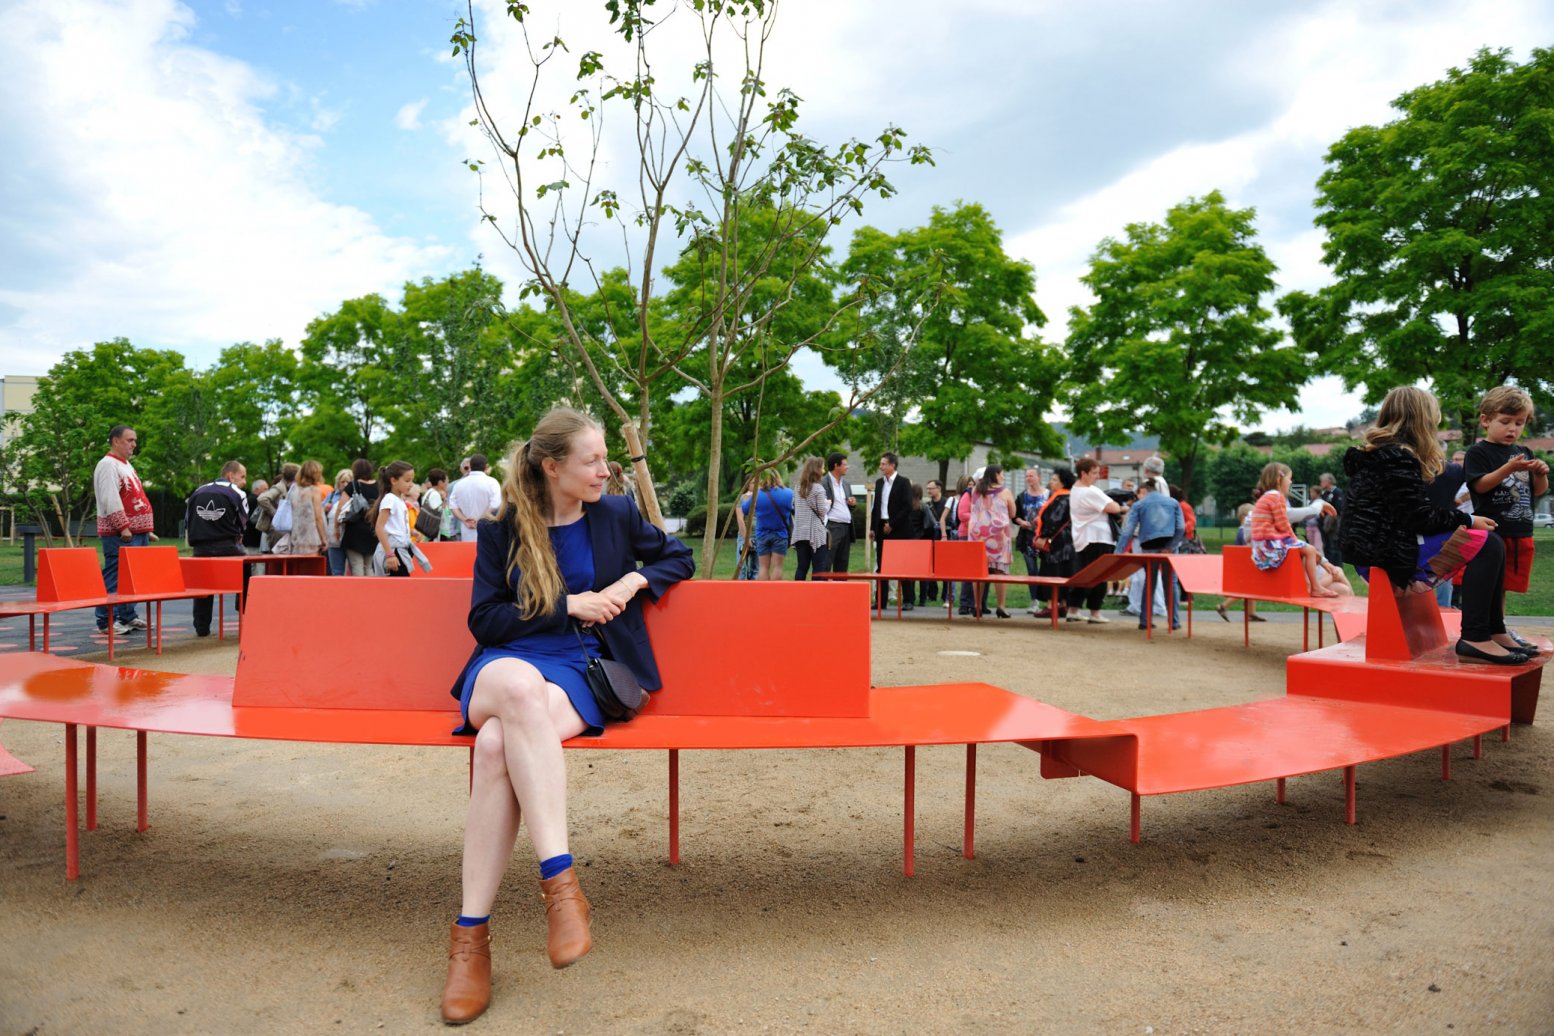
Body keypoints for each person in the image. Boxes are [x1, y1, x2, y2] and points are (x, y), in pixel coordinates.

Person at [439, 408, 693, 1024]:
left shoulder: (616, 515)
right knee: (518, 698)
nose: (607, 470)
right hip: (504, 667)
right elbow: (486, 618)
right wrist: (568, 604)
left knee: (497, 748)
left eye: (606, 459)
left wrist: (632, 581)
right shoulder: (503, 525)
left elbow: (677, 557)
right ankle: (561, 885)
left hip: (580, 671)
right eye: (593, 461)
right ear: (553, 468)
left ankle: (470, 940)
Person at [1341, 385, 1527, 665]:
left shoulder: (1385, 454)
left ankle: (1495, 630)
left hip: (1380, 547)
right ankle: (1475, 637)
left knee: (1490, 542)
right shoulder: (1396, 458)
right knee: (1486, 543)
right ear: (1423, 420)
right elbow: (1418, 517)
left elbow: (1409, 514)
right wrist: (1467, 519)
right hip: (1383, 553)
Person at [1464, 386, 1549, 641]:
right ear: (1486, 420)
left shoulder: (1524, 451)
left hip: (1520, 530)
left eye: (1519, 423)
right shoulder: (1478, 452)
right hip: (1492, 531)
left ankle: (1498, 628)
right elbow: (1479, 485)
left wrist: (1541, 474)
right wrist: (1508, 468)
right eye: (1505, 422)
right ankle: (1494, 630)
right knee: (1491, 585)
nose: (1513, 429)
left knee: (1504, 586)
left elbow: (1537, 491)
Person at [93, 425, 154, 635]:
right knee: (115, 576)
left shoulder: (125, 465)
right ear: (115, 441)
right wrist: (124, 526)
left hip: (136, 533)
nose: (134, 444)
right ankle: (106, 621)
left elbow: (135, 496)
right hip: (120, 533)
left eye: (134, 440)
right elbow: (110, 498)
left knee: (132, 578)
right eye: (130, 440)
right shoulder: (108, 465)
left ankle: (127, 616)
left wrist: (146, 529)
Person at [1250, 463, 1339, 598]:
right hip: (1270, 545)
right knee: (1309, 549)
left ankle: (1311, 585)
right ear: (1279, 479)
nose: (1291, 481)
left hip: (1261, 546)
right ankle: (1315, 587)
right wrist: (1294, 540)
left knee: (1303, 549)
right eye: (1289, 478)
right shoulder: (1276, 496)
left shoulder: (1267, 496)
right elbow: (1283, 524)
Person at [184, 460, 249, 637]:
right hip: (228, 547)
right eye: (242, 477)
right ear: (230, 475)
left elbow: (188, 521)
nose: (244, 482)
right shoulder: (237, 492)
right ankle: (245, 612)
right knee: (246, 570)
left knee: (202, 585)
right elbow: (243, 522)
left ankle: (201, 626)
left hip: (201, 548)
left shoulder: (197, 492)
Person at [1115, 479, 1185, 631]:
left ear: (1145, 490)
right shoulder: (1173, 503)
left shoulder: (1139, 505)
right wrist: (1170, 546)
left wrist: (1118, 552)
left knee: (1150, 581)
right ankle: (1174, 621)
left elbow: (1127, 531)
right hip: (1169, 546)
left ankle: (1145, 621)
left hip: (1148, 546)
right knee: (1171, 582)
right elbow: (1181, 528)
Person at [1066, 458, 1120, 623]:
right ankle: (1095, 612)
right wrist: (1122, 507)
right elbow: (1114, 508)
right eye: (1094, 473)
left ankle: (1073, 609)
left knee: (1084, 575)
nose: (1097, 476)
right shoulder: (1091, 491)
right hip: (1098, 538)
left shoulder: (1075, 490)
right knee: (1099, 575)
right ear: (1084, 473)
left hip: (1083, 538)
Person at [966, 465, 1016, 617]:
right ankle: (1001, 606)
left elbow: (973, 509)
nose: (1003, 477)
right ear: (995, 475)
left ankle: (977, 605)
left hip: (977, 535)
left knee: (978, 571)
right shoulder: (1005, 492)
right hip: (998, 535)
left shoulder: (975, 491)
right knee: (1000, 571)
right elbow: (1013, 513)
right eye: (1002, 474)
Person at [1032, 467, 1075, 620]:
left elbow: (1054, 519)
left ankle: (1051, 605)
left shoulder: (1061, 498)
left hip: (1057, 542)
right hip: (1067, 541)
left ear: (1063, 482)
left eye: (1055, 479)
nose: (1051, 482)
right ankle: (1063, 604)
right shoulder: (1067, 496)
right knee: (1064, 571)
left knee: (1052, 571)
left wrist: (1043, 535)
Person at [871, 453, 912, 610]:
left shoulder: (903, 482)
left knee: (903, 564)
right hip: (882, 527)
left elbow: (907, 506)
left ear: (892, 465)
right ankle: (881, 600)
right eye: (880, 464)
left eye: (883, 464)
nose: (881, 467)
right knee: (881, 565)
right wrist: (873, 529)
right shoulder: (879, 483)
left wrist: (892, 524)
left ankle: (908, 599)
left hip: (899, 528)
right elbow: (877, 507)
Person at [742, 470, 793, 580]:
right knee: (777, 567)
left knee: (763, 567)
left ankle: (764, 594)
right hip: (781, 534)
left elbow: (745, 509)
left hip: (762, 534)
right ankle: (775, 594)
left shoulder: (758, 494)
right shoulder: (788, 493)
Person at [370, 461, 417, 577]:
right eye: (407, 480)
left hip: (400, 550)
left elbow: (393, 526)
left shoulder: (398, 500)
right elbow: (379, 527)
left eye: (411, 480)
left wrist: (410, 532)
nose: (411, 484)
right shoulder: (390, 499)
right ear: (394, 481)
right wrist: (390, 554)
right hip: (394, 552)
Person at [790, 458, 831, 580]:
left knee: (802, 567)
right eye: (822, 468)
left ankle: (798, 594)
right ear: (817, 470)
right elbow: (822, 512)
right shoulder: (818, 489)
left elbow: (794, 506)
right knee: (819, 567)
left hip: (800, 533)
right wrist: (827, 504)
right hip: (815, 533)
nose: (824, 471)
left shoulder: (797, 488)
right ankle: (816, 596)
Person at [339, 459, 380, 576]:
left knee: (356, 564)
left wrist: (336, 527)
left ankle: (359, 591)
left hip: (354, 530)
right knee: (369, 566)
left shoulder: (353, 486)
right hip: (373, 529)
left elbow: (341, 508)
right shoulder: (378, 486)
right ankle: (370, 591)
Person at [449, 454, 504, 542]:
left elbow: (452, 505)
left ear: (470, 466)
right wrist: (480, 518)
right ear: (486, 467)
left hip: (467, 529)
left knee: (467, 554)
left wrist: (464, 519)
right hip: (487, 528)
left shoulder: (459, 484)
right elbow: (496, 504)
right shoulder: (492, 483)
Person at [281, 460, 327, 557]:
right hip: (311, 538)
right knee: (310, 570)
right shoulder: (314, 491)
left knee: (297, 570)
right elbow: (318, 517)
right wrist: (324, 538)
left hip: (295, 536)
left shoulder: (293, 489)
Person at [823, 452, 856, 573]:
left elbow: (846, 505)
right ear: (836, 466)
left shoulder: (846, 484)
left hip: (846, 527)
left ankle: (841, 591)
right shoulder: (823, 483)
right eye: (845, 464)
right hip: (832, 527)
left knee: (842, 564)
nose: (847, 467)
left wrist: (852, 504)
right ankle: (822, 590)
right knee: (826, 561)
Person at [1013, 468, 1046, 577]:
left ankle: (1044, 594)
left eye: (1031, 476)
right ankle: (1035, 594)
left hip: (1044, 537)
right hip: (1027, 539)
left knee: (1045, 571)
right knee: (1032, 571)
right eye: (1027, 476)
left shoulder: (1048, 495)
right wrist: (1021, 522)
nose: (1028, 478)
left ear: (1039, 477)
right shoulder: (1022, 496)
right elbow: (1014, 515)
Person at [922, 479, 947, 603]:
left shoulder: (947, 503)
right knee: (931, 567)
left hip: (944, 538)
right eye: (927, 489)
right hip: (931, 537)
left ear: (939, 489)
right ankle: (932, 594)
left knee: (945, 568)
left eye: (931, 488)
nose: (929, 491)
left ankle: (945, 595)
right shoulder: (927, 504)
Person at [323, 469, 352, 576]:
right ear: (338, 482)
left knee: (354, 570)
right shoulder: (331, 496)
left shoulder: (355, 496)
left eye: (348, 482)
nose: (345, 484)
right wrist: (325, 509)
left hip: (350, 538)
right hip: (334, 538)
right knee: (336, 571)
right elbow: (320, 514)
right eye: (342, 482)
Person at [1317, 473, 1345, 565]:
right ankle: (1329, 567)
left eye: (1322, 481)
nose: (1320, 483)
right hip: (1324, 525)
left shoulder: (1337, 492)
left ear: (1328, 481)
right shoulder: (1325, 493)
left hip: (1333, 525)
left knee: (1334, 546)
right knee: (1326, 546)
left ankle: (1337, 566)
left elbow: (1339, 508)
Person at [422, 469, 450, 543]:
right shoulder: (435, 495)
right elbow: (436, 515)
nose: (448, 484)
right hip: (437, 535)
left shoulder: (430, 493)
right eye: (447, 481)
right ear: (440, 483)